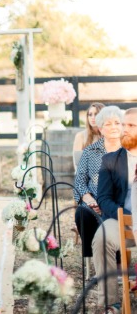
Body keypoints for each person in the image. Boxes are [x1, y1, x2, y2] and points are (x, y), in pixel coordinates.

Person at [92, 108, 137, 313]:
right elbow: (103, 198)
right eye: (123, 124)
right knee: (101, 238)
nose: (123, 130)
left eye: (131, 126)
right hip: (120, 219)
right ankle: (111, 303)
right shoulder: (109, 160)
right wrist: (127, 216)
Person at [73, 106, 123, 258]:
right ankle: (95, 259)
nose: (113, 127)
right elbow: (79, 181)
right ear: (100, 129)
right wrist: (90, 201)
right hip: (94, 205)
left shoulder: (130, 151)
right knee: (82, 213)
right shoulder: (90, 152)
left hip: (119, 205)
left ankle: (118, 260)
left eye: (117, 123)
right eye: (108, 124)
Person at [73, 102, 105, 169]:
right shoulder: (81, 136)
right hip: (85, 175)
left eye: (96, 114)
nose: (92, 117)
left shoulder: (108, 135)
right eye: (90, 115)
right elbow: (77, 163)